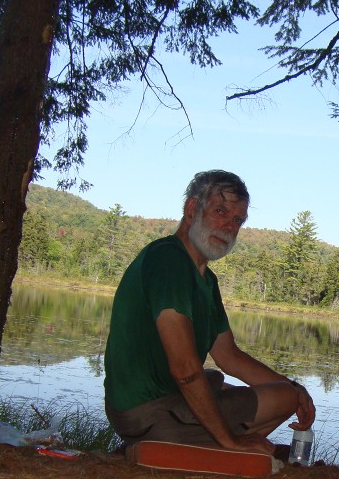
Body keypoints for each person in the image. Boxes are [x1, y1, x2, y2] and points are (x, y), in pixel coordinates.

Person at [103, 170, 316, 459]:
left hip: (169, 404)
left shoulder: (205, 279)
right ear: (192, 210)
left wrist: (296, 388)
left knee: (285, 395)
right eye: (220, 211)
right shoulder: (169, 260)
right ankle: (209, 451)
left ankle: (189, 450)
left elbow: (229, 356)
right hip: (148, 411)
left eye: (238, 220)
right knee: (271, 404)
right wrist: (231, 441)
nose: (229, 226)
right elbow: (185, 368)